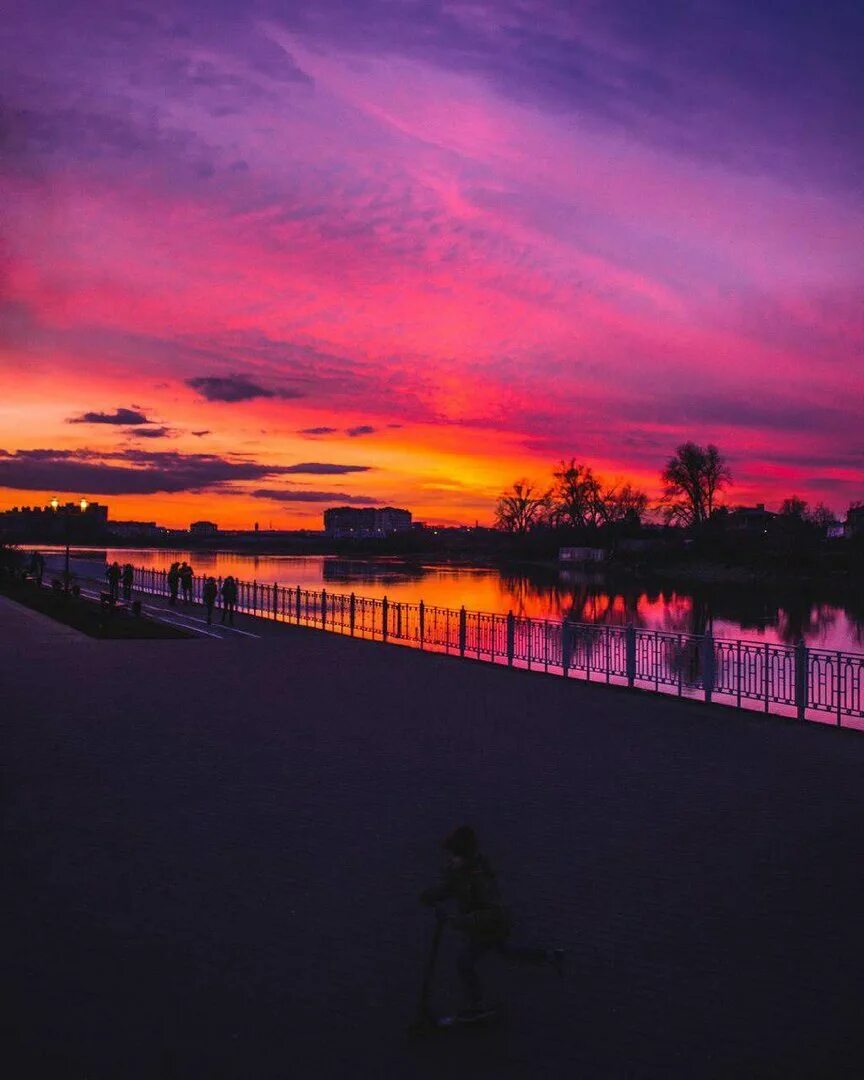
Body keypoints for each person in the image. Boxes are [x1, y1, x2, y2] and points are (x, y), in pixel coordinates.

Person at [420, 825, 565, 1020]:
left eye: (455, 856)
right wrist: (431, 895)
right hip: (481, 927)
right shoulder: (459, 870)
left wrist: (460, 921)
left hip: (491, 927)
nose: (451, 859)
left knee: (465, 963)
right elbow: (449, 887)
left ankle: (476, 1006)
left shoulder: (480, 879)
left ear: (465, 856)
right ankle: (550, 956)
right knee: (507, 952)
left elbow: (493, 912)